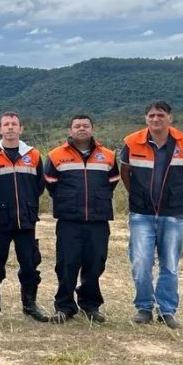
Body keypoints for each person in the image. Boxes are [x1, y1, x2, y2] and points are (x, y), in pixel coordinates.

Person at [120, 101, 183, 329]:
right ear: (145, 118)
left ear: (170, 118)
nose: (155, 119)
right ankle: (144, 308)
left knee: (169, 264)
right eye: (151, 116)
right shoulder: (131, 142)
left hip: (173, 215)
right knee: (140, 262)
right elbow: (125, 173)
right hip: (141, 214)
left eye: (160, 115)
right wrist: (137, 196)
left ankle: (166, 311)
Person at [44, 115, 119, 324]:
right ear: (70, 130)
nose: (81, 129)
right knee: (67, 264)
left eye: (86, 125)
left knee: (95, 263)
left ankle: (90, 305)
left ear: (92, 129)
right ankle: (65, 306)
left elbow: (112, 182)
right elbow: (50, 184)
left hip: (98, 220)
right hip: (69, 220)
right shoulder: (56, 155)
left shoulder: (109, 156)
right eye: (77, 126)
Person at [0, 112, 49, 322]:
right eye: (6, 124)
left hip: (25, 219)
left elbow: (38, 186)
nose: (10, 127)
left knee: (29, 263)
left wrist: (27, 205)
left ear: (21, 128)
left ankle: (30, 304)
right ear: (0, 129)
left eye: (14, 124)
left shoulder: (33, 155)